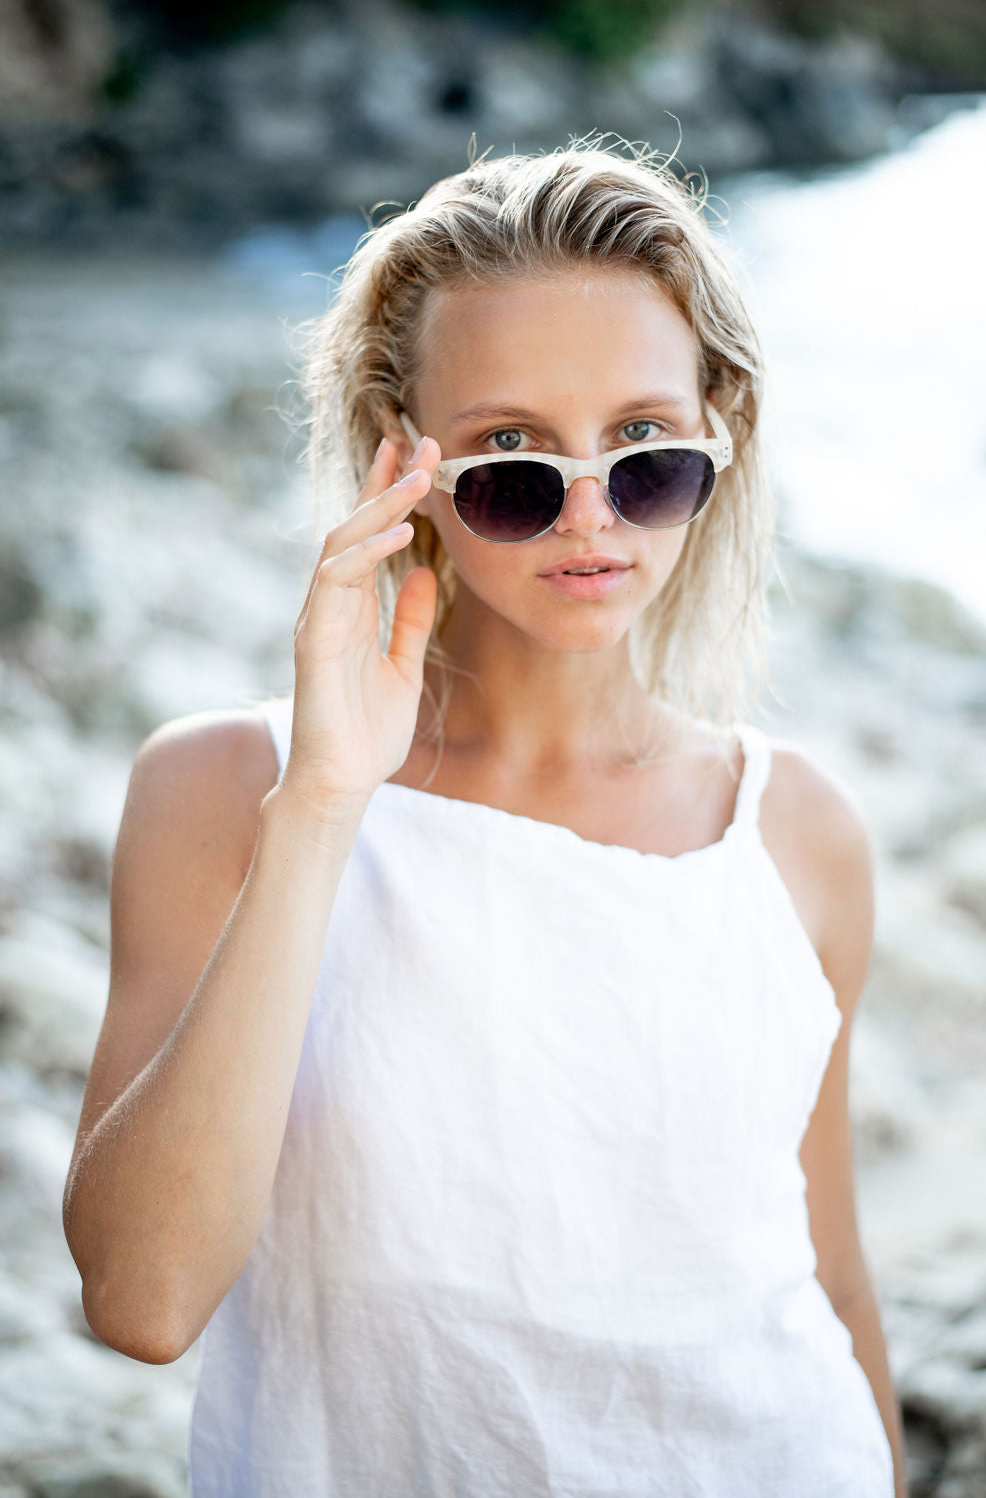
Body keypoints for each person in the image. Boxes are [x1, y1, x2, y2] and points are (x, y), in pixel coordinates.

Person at [63, 134, 907, 1497]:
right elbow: (143, 1299)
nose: (591, 516)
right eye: (512, 453)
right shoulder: (222, 791)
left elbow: (834, 1282)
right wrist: (325, 801)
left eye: (643, 446)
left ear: (722, 429)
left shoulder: (795, 833)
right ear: (401, 455)